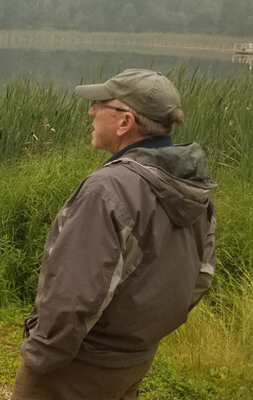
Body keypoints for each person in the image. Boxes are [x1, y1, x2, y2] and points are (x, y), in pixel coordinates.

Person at [11, 69, 216, 400]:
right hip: (134, 362)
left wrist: (40, 358)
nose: (91, 112)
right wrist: (140, 338)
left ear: (125, 122)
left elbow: (73, 294)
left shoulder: (108, 190)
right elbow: (200, 277)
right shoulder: (193, 188)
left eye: (99, 105)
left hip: (77, 367)